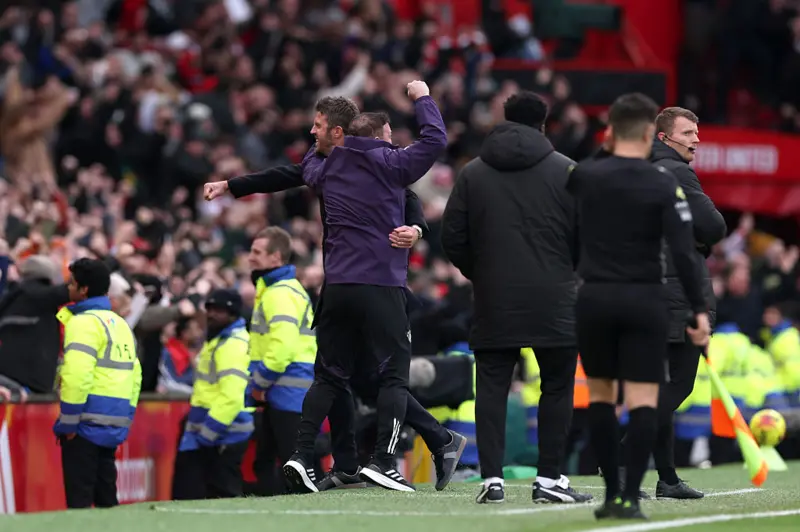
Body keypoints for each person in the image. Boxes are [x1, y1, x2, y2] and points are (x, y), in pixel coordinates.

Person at [283, 80, 447, 493]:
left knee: (328, 377)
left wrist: (323, 142)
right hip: (380, 284)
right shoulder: (392, 163)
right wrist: (423, 97)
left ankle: (302, 455)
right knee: (393, 377)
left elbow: (308, 164)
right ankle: (384, 462)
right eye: (388, 136)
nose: (393, 142)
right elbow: (435, 139)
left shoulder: (326, 168)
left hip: (337, 287)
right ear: (377, 138)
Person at [440, 91, 591, 505]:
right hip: (555, 297)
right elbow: (589, 235)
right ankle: (550, 480)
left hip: (495, 296)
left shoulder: (473, 172)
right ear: (544, 125)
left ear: (504, 120)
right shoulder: (567, 170)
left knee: (491, 385)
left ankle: (492, 479)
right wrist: (566, 273)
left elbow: (451, 236)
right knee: (556, 386)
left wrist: (482, 273)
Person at [566, 93, 711, 520]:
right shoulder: (664, 182)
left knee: (602, 398)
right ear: (651, 134)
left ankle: (611, 495)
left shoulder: (585, 176)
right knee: (646, 399)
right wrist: (698, 310)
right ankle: (630, 498)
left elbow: (568, 237)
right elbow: (684, 253)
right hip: (645, 298)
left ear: (610, 133)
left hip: (595, 297)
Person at [315, 112, 466, 494]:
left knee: (379, 378)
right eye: (386, 136)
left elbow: (411, 203)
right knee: (361, 378)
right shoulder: (340, 168)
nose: (392, 143)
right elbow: (290, 173)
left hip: (379, 288)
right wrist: (234, 185)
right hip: (353, 289)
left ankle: (384, 458)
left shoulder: (389, 170)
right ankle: (434, 440)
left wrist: (415, 229)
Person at [628, 107, 726, 500]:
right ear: (664, 138)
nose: (696, 140)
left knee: (658, 388)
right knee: (678, 386)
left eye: (696, 132)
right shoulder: (676, 172)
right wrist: (697, 240)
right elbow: (714, 225)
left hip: (641, 290)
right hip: (677, 294)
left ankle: (667, 478)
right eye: (688, 133)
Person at [54, 258, 142, 509]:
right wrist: (127, 416)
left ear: (83, 290)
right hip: (113, 423)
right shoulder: (120, 324)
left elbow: (77, 375)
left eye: (72, 283)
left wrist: (69, 421)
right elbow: (135, 375)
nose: (68, 287)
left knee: (79, 504)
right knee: (107, 500)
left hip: (84, 424)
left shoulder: (82, 323)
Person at [247, 226, 316, 496]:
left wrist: (259, 383)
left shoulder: (279, 293)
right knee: (269, 462)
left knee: (292, 466)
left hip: (285, 389)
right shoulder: (282, 290)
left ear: (275, 257)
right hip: (286, 388)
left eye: (257, 252)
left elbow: (282, 347)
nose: (250, 257)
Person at [173, 289, 252, 500]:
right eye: (209, 309)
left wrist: (209, 432)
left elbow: (231, 395)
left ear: (233, 314)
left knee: (218, 494)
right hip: (210, 430)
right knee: (200, 492)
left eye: (219, 310)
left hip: (222, 432)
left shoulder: (232, 344)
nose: (212, 314)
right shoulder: (219, 340)